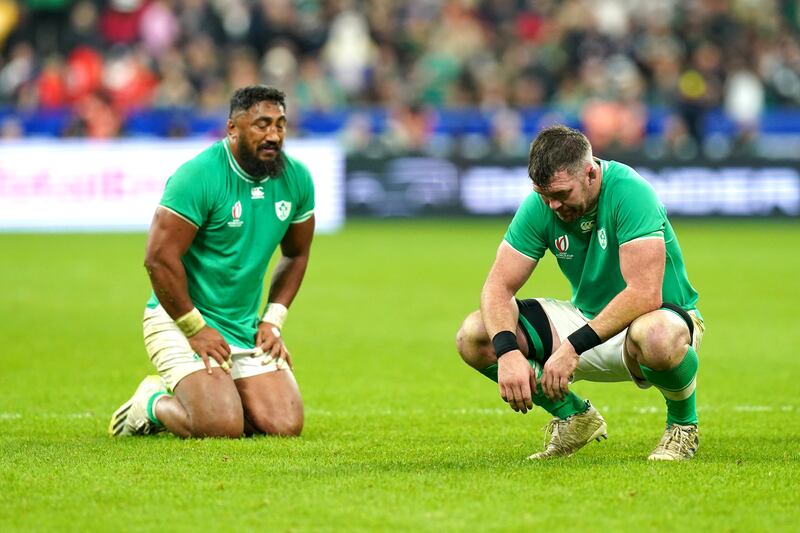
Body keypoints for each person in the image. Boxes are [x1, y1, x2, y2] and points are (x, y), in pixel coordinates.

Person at [456, 125, 704, 461]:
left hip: (659, 319)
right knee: (475, 334)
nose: (553, 204)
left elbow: (645, 294)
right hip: (586, 320)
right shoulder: (542, 203)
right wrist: (508, 352)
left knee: (656, 334)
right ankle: (575, 417)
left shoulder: (630, 192)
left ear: (589, 173)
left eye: (561, 193)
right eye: (544, 195)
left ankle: (682, 426)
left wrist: (573, 347)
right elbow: (497, 287)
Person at [109, 85, 315, 438]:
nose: (273, 135)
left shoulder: (296, 178)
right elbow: (159, 259)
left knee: (284, 426)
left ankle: (219, 391)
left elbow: (296, 254)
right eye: (261, 125)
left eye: (280, 125)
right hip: (180, 320)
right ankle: (151, 402)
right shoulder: (199, 175)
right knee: (219, 427)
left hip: (242, 325)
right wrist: (195, 329)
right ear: (232, 129)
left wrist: (273, 322)